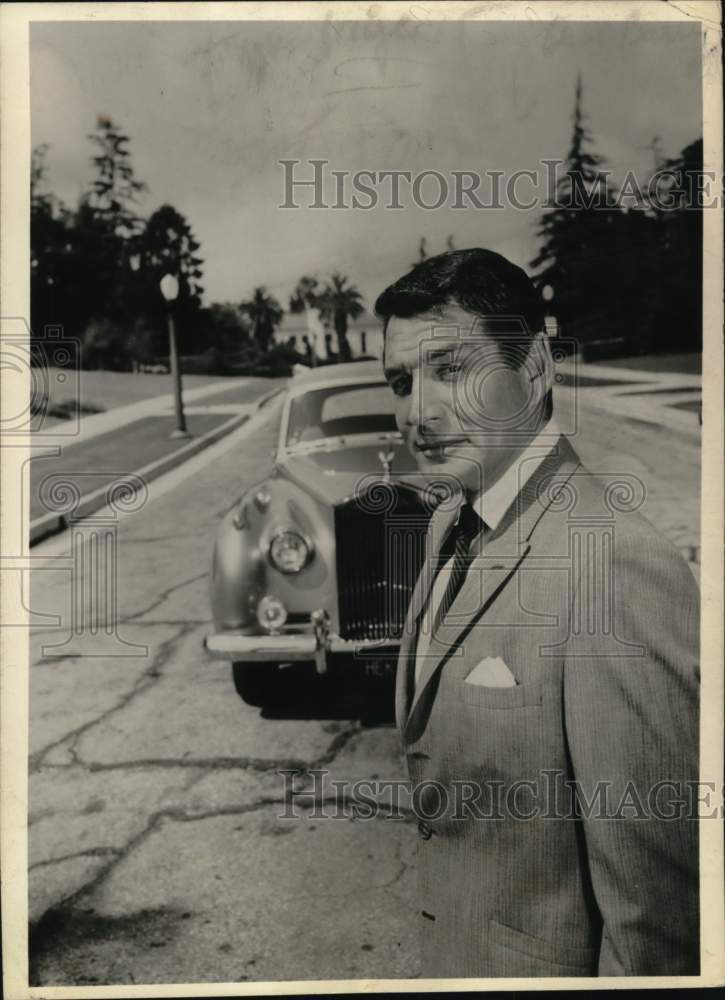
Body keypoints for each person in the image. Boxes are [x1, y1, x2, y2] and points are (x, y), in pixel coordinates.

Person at [374, 248, 700, 978]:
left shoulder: (612, 565)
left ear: (536, 368)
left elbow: (656, 922)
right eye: (402, 381)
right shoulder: (447, 522)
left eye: (450, 369)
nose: (418, 411)